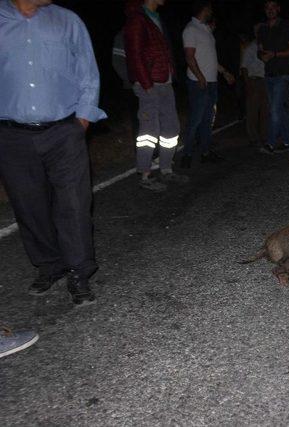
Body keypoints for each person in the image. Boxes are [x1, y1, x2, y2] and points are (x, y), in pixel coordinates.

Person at [0, 0, 107, 306]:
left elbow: (88, 73)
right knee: (28, 204)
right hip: (11, 135)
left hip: (64, 131)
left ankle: (79, 271)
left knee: (74, 202)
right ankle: (49, 265)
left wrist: (82, 120)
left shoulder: (68, 21)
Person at [124, 0, 189, 191]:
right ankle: (145, 174)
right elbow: (134, 54)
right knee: (149, 131)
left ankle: (167, 169)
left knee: (171, 128)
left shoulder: (156, 18)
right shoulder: (138, 19)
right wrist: (147, 85)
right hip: (149, 83)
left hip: (165, 82)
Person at [180, 0, 235, 169]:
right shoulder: (190, 29)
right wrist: (200, 77)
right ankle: (187, 155)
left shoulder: (205, 29)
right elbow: (189, 57)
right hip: (199, 83)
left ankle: (205, 152)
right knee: (196, 120)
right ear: (204, 9)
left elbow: (210, 59)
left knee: (207, 120)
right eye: (210, 7)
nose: (211, 10)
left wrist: (224, 72)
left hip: (211, 82)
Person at [257, 0, 289, 155]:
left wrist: (275, 54)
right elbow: (259, 51)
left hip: (283, 74)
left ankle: (271, 143)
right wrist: (262, 56)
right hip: (269, 75)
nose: (270, 10)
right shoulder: (262, 29)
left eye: (273, 7)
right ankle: (288, 142)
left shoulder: (286, 26)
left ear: (278, 9)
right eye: (267, 8)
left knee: (274, 110)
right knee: (279, 110)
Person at [241, 23, 269, 148]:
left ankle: (264, 136)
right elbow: (244, 67)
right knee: (252, 111)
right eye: (257, 31)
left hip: (267, 81)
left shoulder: (267, 46)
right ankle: (253, 137)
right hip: (255, 80)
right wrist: (248, 84)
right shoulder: (250, 48)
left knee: (265, 111)